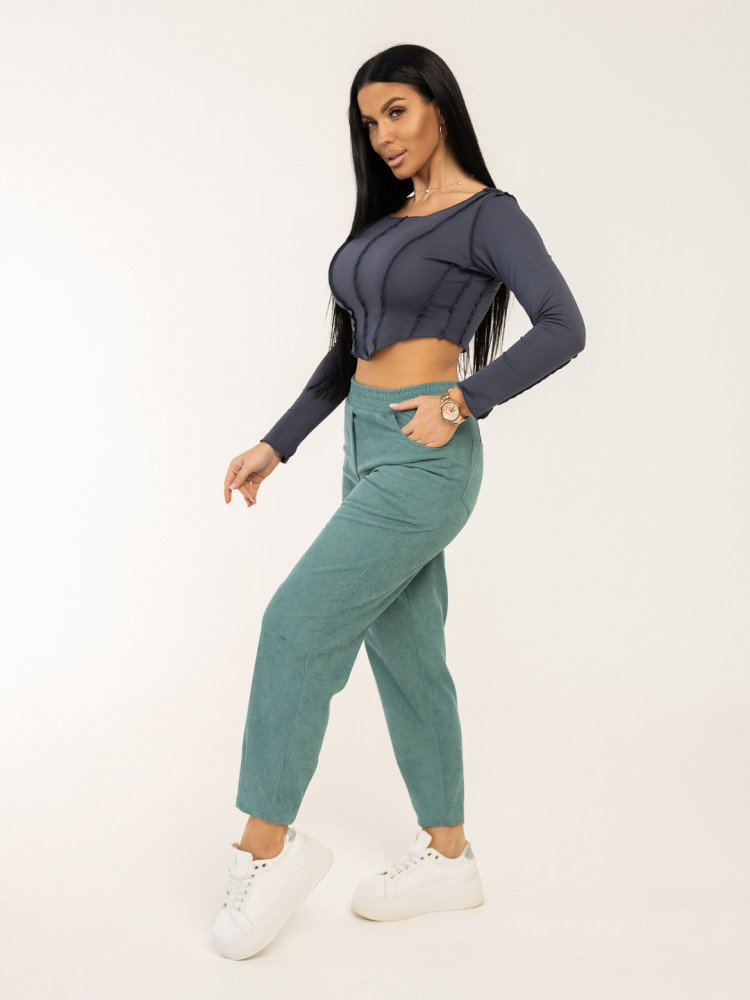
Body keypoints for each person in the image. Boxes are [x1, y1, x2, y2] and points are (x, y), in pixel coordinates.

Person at [213, 43, 586, 960]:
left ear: (439, 108)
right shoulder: (387, 222)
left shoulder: (489, 216)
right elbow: (350, 353)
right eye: (368, 120)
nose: (381, 135)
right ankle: (449, 857)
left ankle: (267, 847)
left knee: (297, 624)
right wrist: (277, 442)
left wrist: (463, 399)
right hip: (363, 445)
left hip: (427, 456)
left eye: (397, 112)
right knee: (410, 658)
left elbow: (564, 325)